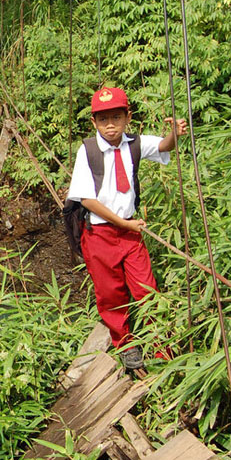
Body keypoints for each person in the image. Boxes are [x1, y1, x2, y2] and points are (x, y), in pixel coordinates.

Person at [66, 87, 187, 371]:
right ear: (94, 122)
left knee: (147, 289)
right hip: (100, 235)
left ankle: (161, 346)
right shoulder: (88, 151)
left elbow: (162, 147)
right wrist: (123, 223)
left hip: (131, 234)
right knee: (111, 294)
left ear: (127, 117)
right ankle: (126, 345)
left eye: (117, 117)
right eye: (104, 119)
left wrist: (175, 135)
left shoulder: (132, 143)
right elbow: (87, 200)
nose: (111, 125)